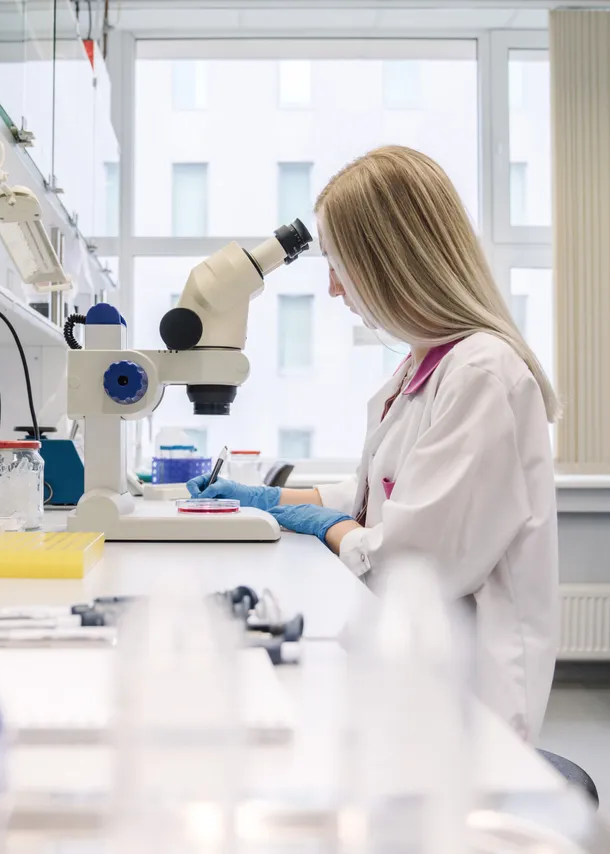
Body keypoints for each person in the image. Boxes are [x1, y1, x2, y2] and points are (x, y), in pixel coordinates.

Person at [188, 145, 560, 741]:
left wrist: (315, 523)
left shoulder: (481, 374)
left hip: (468, 701)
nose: (334, 288)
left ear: (389, 261)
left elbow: (417, 562)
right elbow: (379, 494)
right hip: (412, 669)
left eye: (341, 263)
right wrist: (266, 499)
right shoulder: (425, 366)